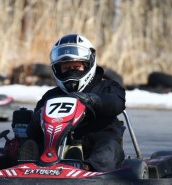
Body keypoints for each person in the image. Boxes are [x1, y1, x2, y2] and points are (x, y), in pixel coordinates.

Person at [25, 34, 126, 172]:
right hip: (55, 144)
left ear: (87, 65)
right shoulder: (51, 95)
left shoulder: (107, 87)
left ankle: (86, 167)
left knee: (108, 148)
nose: (71, 72)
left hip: (97, 139)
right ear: (57, 69)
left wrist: (92, 100)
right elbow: (33, 131)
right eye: (66, 68)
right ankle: (26, 163)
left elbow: (116, 103)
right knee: (32, 142)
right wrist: (40, 117)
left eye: (76, 67)